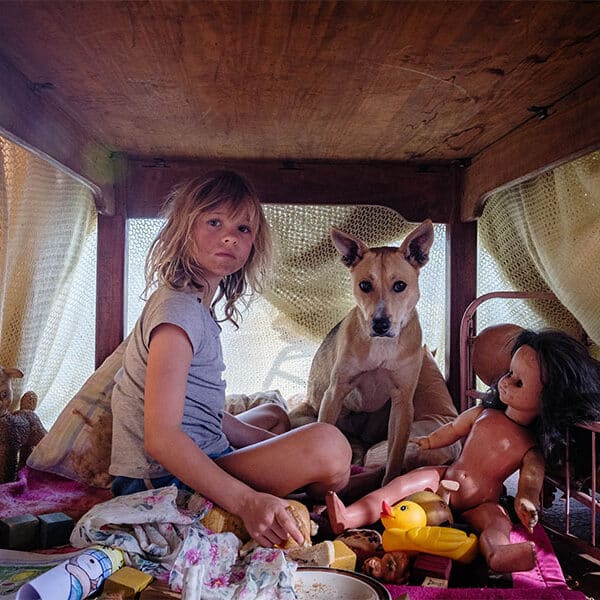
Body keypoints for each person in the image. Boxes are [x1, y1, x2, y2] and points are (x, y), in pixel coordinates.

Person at [109, 170, 352, 548]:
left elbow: (195, 407)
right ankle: (330, 489)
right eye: (214, 222)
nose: (229, 236)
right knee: (331, 446)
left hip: (199, 453)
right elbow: (161, 438)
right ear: (184, 229)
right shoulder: (178, 312)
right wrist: (247, 502)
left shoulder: (194, 305)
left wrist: (278, 442)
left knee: (274, 415)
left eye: (243, 228)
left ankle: (318, 476)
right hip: (161, 480)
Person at [326, 329, 600, 572]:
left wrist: (526, 502)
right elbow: (454, 428)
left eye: (519, 383)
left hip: (483, 500)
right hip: (446, 476)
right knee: (401, 485)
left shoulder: (531, 447)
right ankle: (349, 516)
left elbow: (530, 482)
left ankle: (499, 553)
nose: (505, 382)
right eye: (509, 373)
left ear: (549, 401)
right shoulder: (484, 413)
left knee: (497, 522)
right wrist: (430, 441)